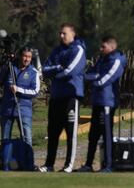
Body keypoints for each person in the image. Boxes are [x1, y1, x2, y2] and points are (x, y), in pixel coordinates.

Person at [39, 23, 86, 173]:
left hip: (71, 97)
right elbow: (44, 70)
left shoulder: (78, 49)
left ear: (73, 34)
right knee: (53, 131)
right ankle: (49, 164)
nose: (61, 36)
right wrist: (58, 68)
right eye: (60, 33)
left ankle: (68, 165)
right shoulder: (56, 51)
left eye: (64, 33)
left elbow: (71, 71)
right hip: (56, 96)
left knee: (71, 132)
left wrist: (57, 73)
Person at [76, 36, 127, 173]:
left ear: (111, 47)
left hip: (107, 101)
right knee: (93, 135)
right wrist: (95, 77)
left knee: (106, 134)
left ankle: (108, 165)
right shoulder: (102, 59)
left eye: (103, 47)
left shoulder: (117, 59)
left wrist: (95, 79)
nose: (100, 49)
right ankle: (88, 164)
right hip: (97, 100)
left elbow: (105, 79)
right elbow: (90, 73)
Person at [0, 47, 40, 147]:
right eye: (25, 56)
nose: (27, 59)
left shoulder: (33, 72)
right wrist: (4, 64)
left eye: (29, 57)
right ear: (20, 56)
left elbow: (35, 91)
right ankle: (5, 160)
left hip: (24, 109)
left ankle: (28, 161)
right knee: (5, 139)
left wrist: (19, 90)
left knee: (27, 139)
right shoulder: (9, 67)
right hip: (7, 108)